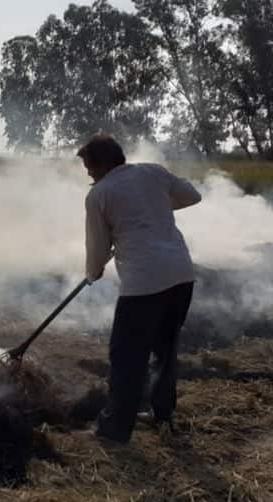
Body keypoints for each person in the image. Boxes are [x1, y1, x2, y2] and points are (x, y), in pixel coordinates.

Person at [79, 134, 202, 443]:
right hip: (181, 275)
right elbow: (192, 196)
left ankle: (115, 429)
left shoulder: (99, 195)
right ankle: (163, 415)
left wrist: (93, 272)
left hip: (145, 284)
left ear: (103, 163)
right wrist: (152, 208)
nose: (88, 173)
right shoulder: (152, 172)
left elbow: (96, 250)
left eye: (88, 166)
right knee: (165, 350)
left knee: (126, 357)